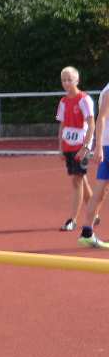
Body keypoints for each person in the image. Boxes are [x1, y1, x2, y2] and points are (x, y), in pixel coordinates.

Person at [56, 66, 95, 232]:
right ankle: (94, 211)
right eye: (63, 80)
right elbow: (62, 124)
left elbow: (92, 124)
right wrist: (60, 147)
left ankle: (72, 220)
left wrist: (85, 147)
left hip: (81, 146)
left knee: (77, 181)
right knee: (81, 179)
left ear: (77, 81)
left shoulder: (84, 99)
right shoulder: (63, 102)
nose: (66, 83)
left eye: (69, 80)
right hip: (68, 145)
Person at [78, 79, 109, 249]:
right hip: (107, 145)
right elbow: (101, 117)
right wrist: (98, 147)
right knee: (100, 190)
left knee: (100, 191)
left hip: (106, 145)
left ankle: (87, 233)